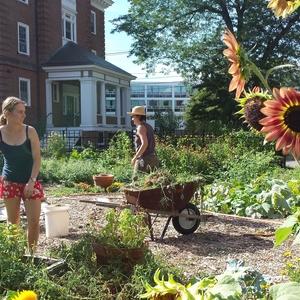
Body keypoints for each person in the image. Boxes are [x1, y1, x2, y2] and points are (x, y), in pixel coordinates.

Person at [0, 96, 44, 253]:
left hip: (31, 181)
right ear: (8, 114)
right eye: (20, 112)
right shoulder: (0, 132)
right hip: (9, 182)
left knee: (33, 222)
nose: (24, 115)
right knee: (12, 223)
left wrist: (31, 182)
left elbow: (37, 159)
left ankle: (32, 257)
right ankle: (14, 257)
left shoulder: (29, 131)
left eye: (24, 112)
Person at [127, 106, 159, 179]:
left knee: (136, 182)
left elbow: (144, 144)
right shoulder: (149, 127)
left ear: (139, 116)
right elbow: (154, 142)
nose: (132, 119)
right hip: (154, 158)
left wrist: (135, 157)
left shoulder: (140, 128)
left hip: (144, 159)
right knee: (151, 184)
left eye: (133, 116)